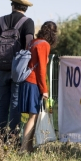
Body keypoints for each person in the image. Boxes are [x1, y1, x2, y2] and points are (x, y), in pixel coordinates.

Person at [0, 0, 35, 141]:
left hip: (0, 68)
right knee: (15, 104)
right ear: (25, 8)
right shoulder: (28, 22)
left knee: (2, 104)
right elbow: (29, 44)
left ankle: (0, 139)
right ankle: (13, 140)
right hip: (17, 70)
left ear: (12, 5)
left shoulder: (1, 21)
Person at [19, 21, 58, 152]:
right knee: (33, 116)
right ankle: (24, 148)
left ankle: (29, 147)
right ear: (53, 33)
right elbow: (41, 70)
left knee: (33, 116)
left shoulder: (33, 42)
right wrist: (44, 90)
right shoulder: (44, 45)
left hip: (26, 81)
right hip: (34, 82)